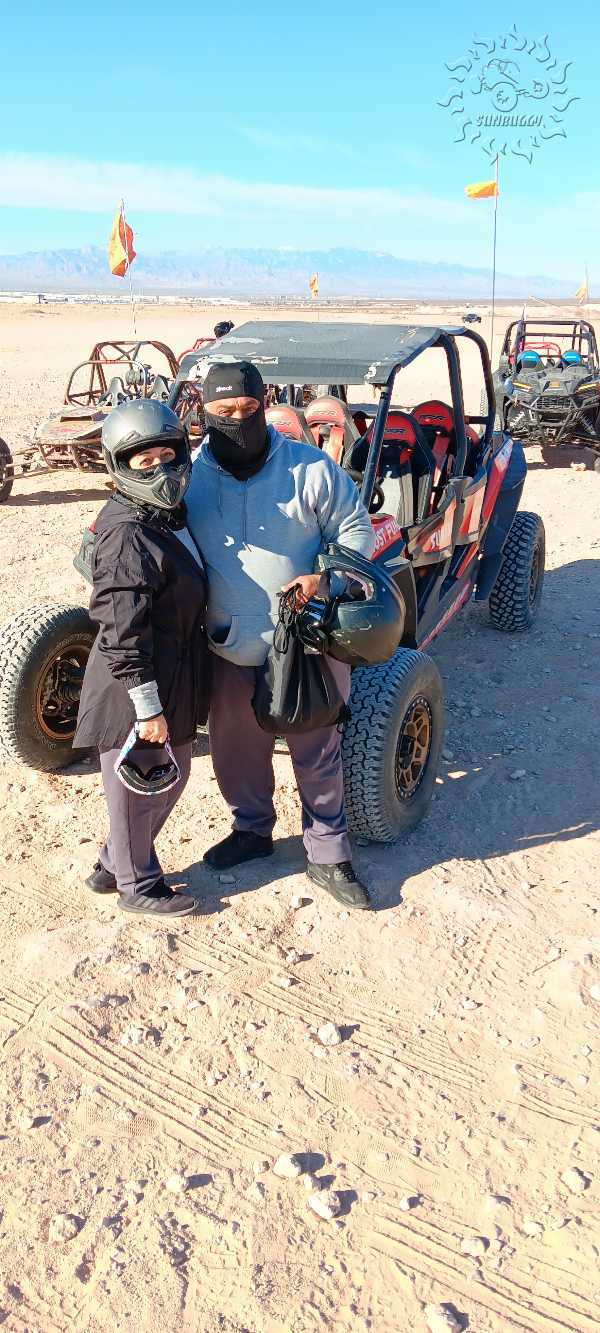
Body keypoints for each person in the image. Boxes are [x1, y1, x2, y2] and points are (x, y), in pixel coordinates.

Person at [186, 360, 375, 910]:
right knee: (235, 747)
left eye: (248, 409)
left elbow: (356, 531)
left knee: (316, 747)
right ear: (204, 413)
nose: (237, 419)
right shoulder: (189, 476)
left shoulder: (310, 468)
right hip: (227, 640)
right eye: (224, 411)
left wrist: (327, 578)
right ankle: (251, 830)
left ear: (264, 404)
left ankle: (328, 852)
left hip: (306, 637)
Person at [74, 401, 210, 919]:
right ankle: (139, 885)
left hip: (170, 670)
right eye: (143, 461)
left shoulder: (166, 516)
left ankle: (115, 863)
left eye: (166, 456)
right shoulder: (128, 531)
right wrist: (147, 706)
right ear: (120, 466)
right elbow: (120, 625)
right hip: (135, 683)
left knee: (170, 776)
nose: (159, 470)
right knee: (140, 785)